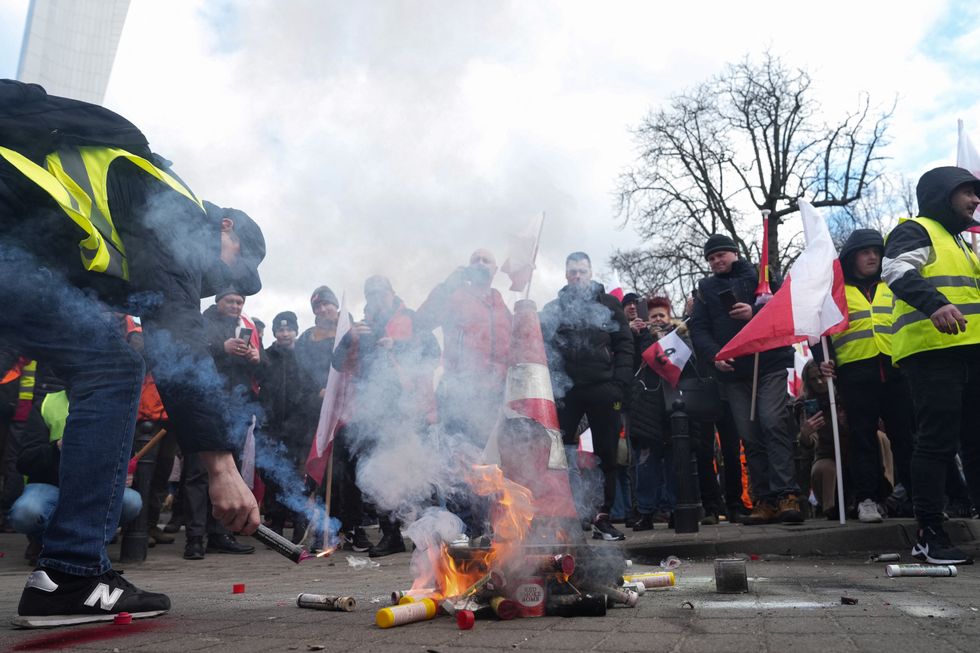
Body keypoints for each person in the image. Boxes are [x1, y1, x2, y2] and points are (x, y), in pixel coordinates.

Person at [1, 80, 262, 627]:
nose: (223, 282)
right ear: (226, 226)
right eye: (235, 265)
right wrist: (220, 465)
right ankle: (72, 575)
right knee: (114, 366)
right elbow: (175, 342)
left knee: (105, 356)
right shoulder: (179, 209)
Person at [882, 166, 980, 564]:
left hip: (970, 352)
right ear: (942, 195)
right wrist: (936, 304)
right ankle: (928, 533)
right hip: (931, 352)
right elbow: (896, 270)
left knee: (976, 444)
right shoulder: (916, 229)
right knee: (936, 442)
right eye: (967, 192)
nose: (975, 200)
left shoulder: (964, 243)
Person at [689, 234, 802, 525]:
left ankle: (787, 494)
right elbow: (699, 329)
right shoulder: (705, 289)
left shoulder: (761, 276)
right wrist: (716, 355)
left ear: (734, 253)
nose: (716, 261)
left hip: (770, 363)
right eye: (711, 258)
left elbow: (784, 307)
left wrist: (756, 312)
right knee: (750, 434)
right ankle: (764, 498)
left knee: (772, 421)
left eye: (720, 255)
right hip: (734, 372)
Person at [332, 275, 441, 557]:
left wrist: (398, 346)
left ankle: (426, 536)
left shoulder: (413, 319)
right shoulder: (362, 326)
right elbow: (337, 363)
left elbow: (433, 353)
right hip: (372, 411)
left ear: (392, 293)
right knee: (377, 473)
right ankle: (391, 535)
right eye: (370, 293)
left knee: (415, 471)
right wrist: (349, 338)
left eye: (381, 292)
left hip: (409, 408)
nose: (376, 298)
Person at [818, 229, 914, 523]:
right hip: (856, 371)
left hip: (897, 369)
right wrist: (823, 361)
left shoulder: (894, 285)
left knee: (906, 437)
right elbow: (819, 332)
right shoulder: (836, 293)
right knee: (863, 438)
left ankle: (915, 496)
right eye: (865, 252)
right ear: (851, 258)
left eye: (876, 251)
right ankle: (867, 499)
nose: (873, 256)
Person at [416, 249, 512, 536]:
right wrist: (447, 285)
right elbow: (422, 321)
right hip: (458, 393)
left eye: (487, 260)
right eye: (476, 260)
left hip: (493, 397)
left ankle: (489, 525)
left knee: (489, 463)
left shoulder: (500, 304)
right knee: (459, 463)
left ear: (495, 269)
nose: (481, 265)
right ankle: (464, 530)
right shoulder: (454, 295)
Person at [541, 252, 634, 541]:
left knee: (607, 453)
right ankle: (566, 516)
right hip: (566, 391)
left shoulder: (609, 305)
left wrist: (619, 383)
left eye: (582, 271)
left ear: (591, 272)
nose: (577, 276)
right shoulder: (554, 309)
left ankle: (602, 517)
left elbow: (625, 344)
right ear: (566, 274)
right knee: (560, 453)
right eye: (572, 271)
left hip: (603, 388)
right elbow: (543, 348)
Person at [10, 389, 143, 563]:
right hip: (50, 485)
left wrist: (127, 476)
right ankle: (48, 543)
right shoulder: (47, 404)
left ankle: (85, 545)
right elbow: (25, 461)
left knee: (130, 501)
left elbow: (127, 455)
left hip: (95, 487)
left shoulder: (112, 405)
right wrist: (57, 446)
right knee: (26, 511)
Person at [180, 287, 261, 560]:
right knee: (197, 473)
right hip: (204, 403)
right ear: (218, 301)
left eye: (240, 301)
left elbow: (262, 371)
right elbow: (188, 351)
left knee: (231, 471)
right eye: (231, 300)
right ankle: (194, 537)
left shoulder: (245, 327)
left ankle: (220, 534)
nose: (236, 305)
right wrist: (221, 348)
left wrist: (256, 359)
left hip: (235, 408)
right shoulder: (201, 322)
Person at [258, 311, 320, 543]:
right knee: (272, 475)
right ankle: (275, 520)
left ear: (295, 331)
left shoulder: (305, 356)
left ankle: (298, 520)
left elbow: (314, 387)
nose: (284, 333)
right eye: (280, 330)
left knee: (297, 476)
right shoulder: (266, 357)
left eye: (288, 329)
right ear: (275, 333)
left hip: (300, 427)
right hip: (272, 426)